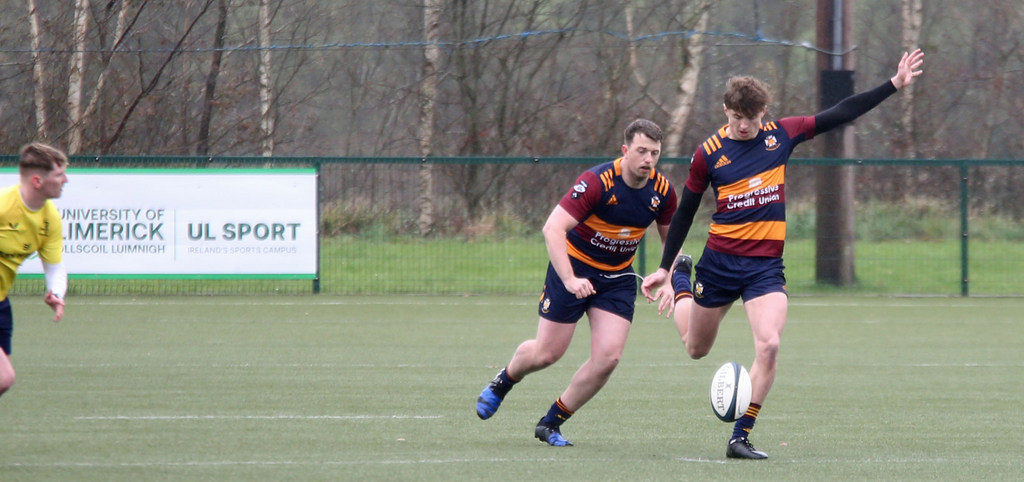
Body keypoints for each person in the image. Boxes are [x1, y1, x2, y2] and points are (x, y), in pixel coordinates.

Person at [641, 50, 925, 459]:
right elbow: (685, 210)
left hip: (764, 270)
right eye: (736, 117)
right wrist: (667, 270)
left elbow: (840, 113)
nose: (743, 126)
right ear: (726, 111)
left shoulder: (781, 135)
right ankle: (685, 282)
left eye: (751, 119)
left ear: (763, 113)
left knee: (769, 345)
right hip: (718, 264)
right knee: (695, 348)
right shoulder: (708, 153)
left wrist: (894, 84)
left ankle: (740, 436)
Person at [475, 119, 678, 446]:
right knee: (547, 354)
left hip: (618, 279)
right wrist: (569, 279)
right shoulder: (596, 182)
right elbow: (552, 229)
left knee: (608, 359)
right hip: (572, 270)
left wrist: (668, 276)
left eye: (654, 153)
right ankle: (504, 381)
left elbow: (674, 239)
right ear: (625, 151)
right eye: (641, 151)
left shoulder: (663, 191)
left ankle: (550, 423)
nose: (648, 159)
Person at [0, 143, 69, 399]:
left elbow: (55, 267)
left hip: (1, 303)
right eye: (59, 175)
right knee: (4, 377)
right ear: (38, 180)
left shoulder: (50, 218)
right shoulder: (4, 206)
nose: (66, 180)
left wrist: (56, 292)